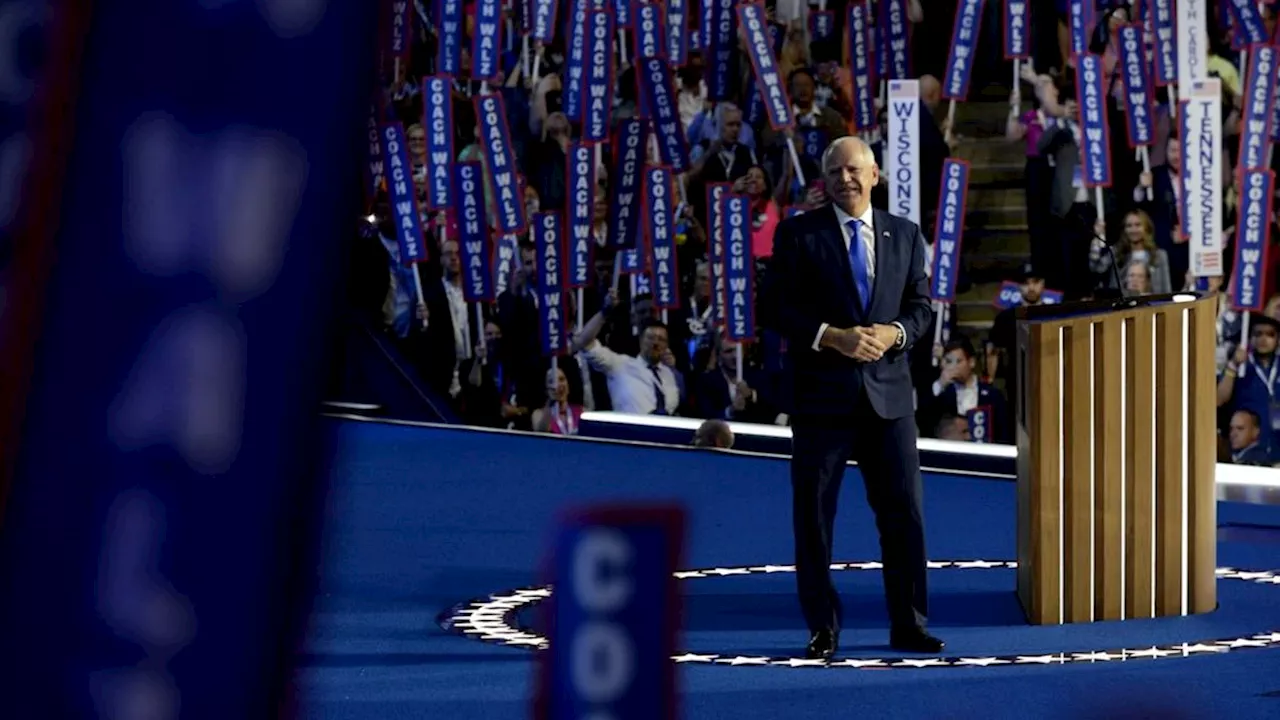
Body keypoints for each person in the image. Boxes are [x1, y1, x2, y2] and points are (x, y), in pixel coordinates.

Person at [760, 136, 941, 660]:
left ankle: (909, 624)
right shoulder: (798, 235)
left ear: (875, 174)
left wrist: (896, 334)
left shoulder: (905, 235)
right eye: (835, 171)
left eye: (854, 169)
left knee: (905, 515)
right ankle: (822, 628)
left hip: (890, 402)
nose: (845, 178)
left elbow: (922, 307)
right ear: (824, 181)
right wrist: (830, 335)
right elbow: (772, 308)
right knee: (814, 518)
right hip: (821, 402)